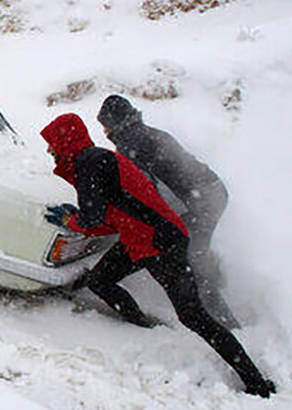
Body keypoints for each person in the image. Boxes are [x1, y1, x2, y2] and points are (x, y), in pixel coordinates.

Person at [41, 113, 275, 398]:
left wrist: (72, 220)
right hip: (138, 239)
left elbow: (92, 218)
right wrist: (78, 220)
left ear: (65, 141)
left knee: (193, 315)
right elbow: (107, 217)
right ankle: (142, 327)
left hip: (161, 242)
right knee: (100, 280)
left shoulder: (91, 162)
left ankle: (257, 383)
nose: (49, 150)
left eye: (52, 143)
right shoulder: (91, 161)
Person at [97, 94, 238, 328]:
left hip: (202, 200)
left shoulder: (129, 144)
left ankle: (226, 322)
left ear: (114, 122)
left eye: (105, 127)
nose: (105, 133)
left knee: (191, 260)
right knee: (197, 249)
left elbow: (144, 188)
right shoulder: (150, 132)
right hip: (214, 191)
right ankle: (216, 278)